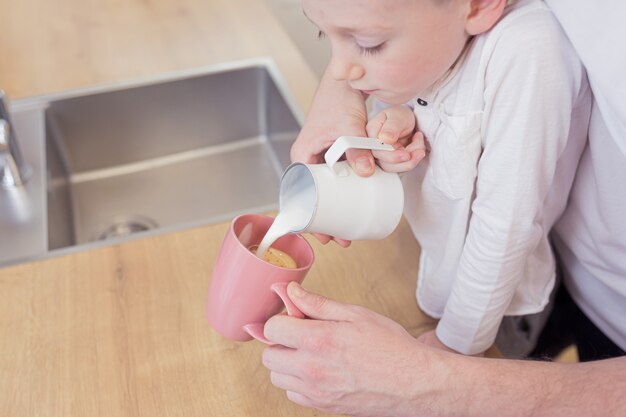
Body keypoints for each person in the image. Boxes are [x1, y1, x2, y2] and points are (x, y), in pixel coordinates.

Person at [259, 0, 626, 415]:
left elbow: (504, 229)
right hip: (445, 280)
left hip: (492, 307)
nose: (340, 70)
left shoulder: (529, 55)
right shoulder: (437, 39)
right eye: (326, 36)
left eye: (367, 43)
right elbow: (447, 110)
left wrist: (453, 349)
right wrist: (396, 121)